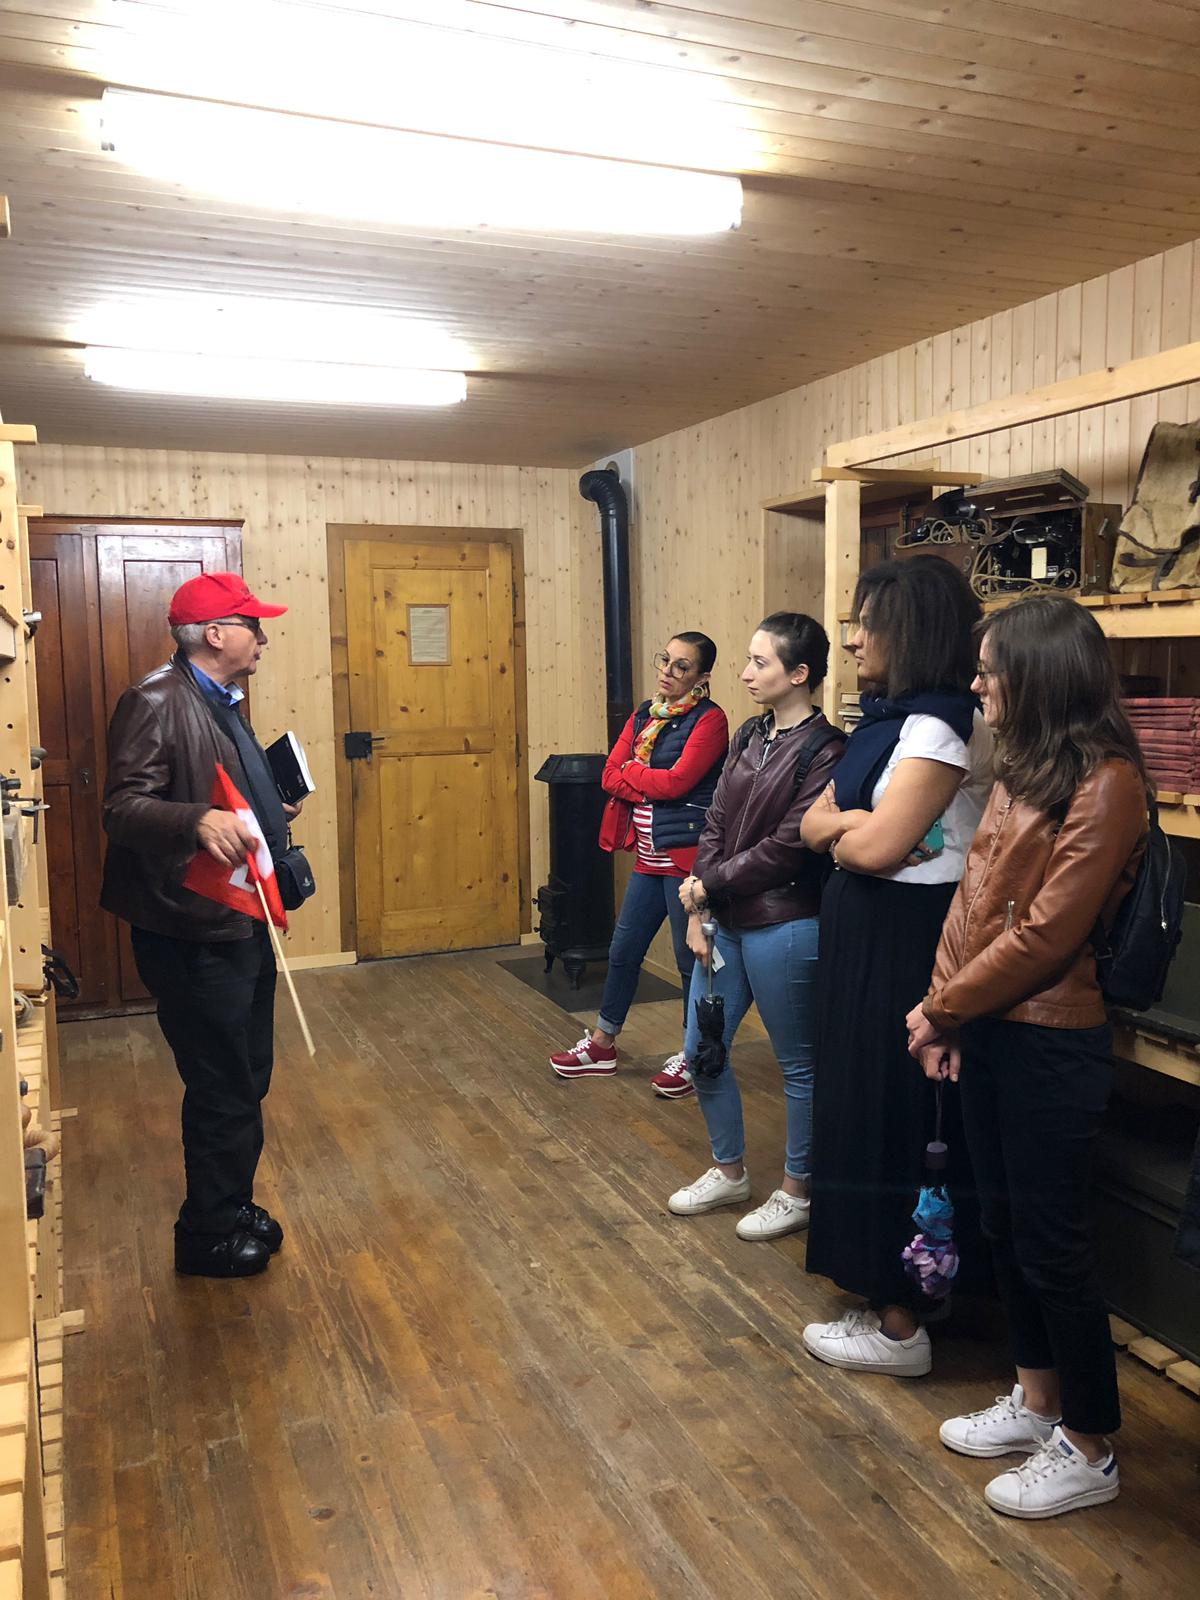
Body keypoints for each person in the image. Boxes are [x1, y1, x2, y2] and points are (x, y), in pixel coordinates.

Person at [906, 596, 1147, 1518]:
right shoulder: (1022, 769)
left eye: (990, 670)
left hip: (1053, 1040)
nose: (977, 685)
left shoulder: (1108, 783)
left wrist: (941, 1007)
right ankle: (1038, 1400)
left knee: (1054, 1245)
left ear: (1039, 676)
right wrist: (947, 1016)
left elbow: (1048, 935)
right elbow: (971, 902)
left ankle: (1089, 1445)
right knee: (1005, 1227)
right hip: (992, 1028)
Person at [799, 555, 993, 1375]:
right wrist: (854, 831)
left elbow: (875, 846)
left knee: (895, 1115)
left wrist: (850, 832)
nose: (852, 641)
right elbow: (810, 823)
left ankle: (903, 1320)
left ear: (910, 632)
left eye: (866, 625)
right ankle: (885, 1292)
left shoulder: (940, 726)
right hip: (868, 930)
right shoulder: (888, 722)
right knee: (856, 1103)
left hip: (910, 938)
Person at [101, 571, 303, 1280]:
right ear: (215, 634)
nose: (264, 637)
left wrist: (271, 808)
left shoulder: (221, 698)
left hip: (238, 920)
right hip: (189, 929)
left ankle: (231, 1203)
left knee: (248, 1074)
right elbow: (121, 808)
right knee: (221, 1083)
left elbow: (223, 786)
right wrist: (196, 821)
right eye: (254, 625)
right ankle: (205, 1233)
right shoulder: (153, 700)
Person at [666, 613, 844, 1237]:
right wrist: (701, 905)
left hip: (783, 924)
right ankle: (730, 1171)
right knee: (701, 1051)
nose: (744, 673)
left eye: (760, 662)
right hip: (724, 922)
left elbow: (788, 848)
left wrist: (706, 886)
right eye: (747, 659)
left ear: (799, 674)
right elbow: (716, 820)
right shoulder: (749, 733)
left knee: (798, 1066)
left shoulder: (827, 749)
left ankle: (798, 1190)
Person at [550, 633, 727, 1097]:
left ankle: (693, 1056)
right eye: (665, 660)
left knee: (690, 962)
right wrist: (643, 777)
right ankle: (603, 1045)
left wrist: (635, 773)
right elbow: (611, 774)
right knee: (624, 951)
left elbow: (678, 783)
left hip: (685, 862)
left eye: (681, 666)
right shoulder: (645, 714)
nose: (667, 671)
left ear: (702, 677)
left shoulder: (711, 720)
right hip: (648, 859)